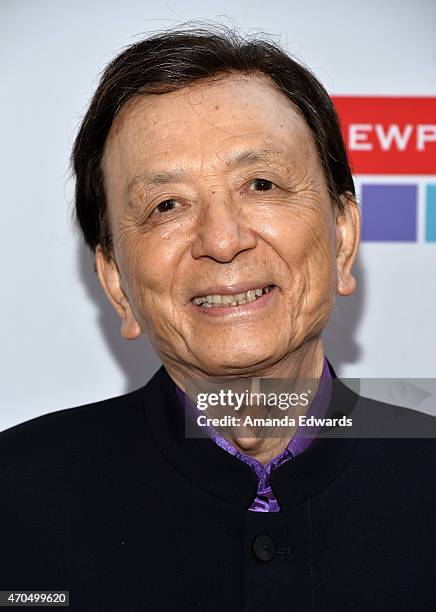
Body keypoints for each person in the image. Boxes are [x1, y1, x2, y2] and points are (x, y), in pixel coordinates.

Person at [1, 26, 435, 611]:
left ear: (343, 238)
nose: (223, 240)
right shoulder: (17, 497)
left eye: (261, 184)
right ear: (115, 283)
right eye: (167, 205)